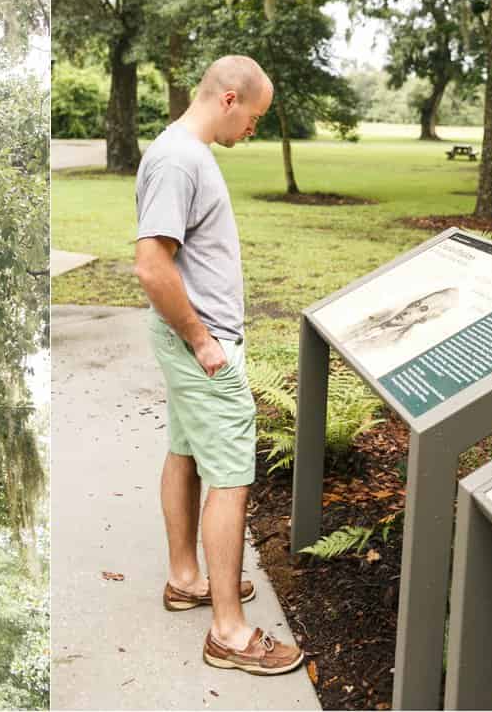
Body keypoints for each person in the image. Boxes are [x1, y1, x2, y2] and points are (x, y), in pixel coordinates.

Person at [133, 55, 304, 676]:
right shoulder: (180, 158)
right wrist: (203, 341)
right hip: (201, 346)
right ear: (228, 99)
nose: (253, 130)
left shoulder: (184, 152)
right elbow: (153, 264)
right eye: (254, 118)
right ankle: (229, 633)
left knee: (185, 451)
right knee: (230, 476)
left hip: (191, 342)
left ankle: (186, 578)